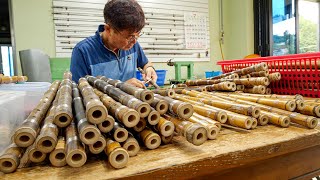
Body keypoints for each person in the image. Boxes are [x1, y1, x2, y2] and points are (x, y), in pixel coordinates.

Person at [70, 0, 157, 88]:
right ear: (108, 29)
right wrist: (121, 87)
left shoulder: (132, 45)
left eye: (138, 35)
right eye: (129, 36)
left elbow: (145, 63)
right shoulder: (83, 51)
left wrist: (149, 69)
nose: (134, 41)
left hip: (134, 101)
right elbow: (79, 93)